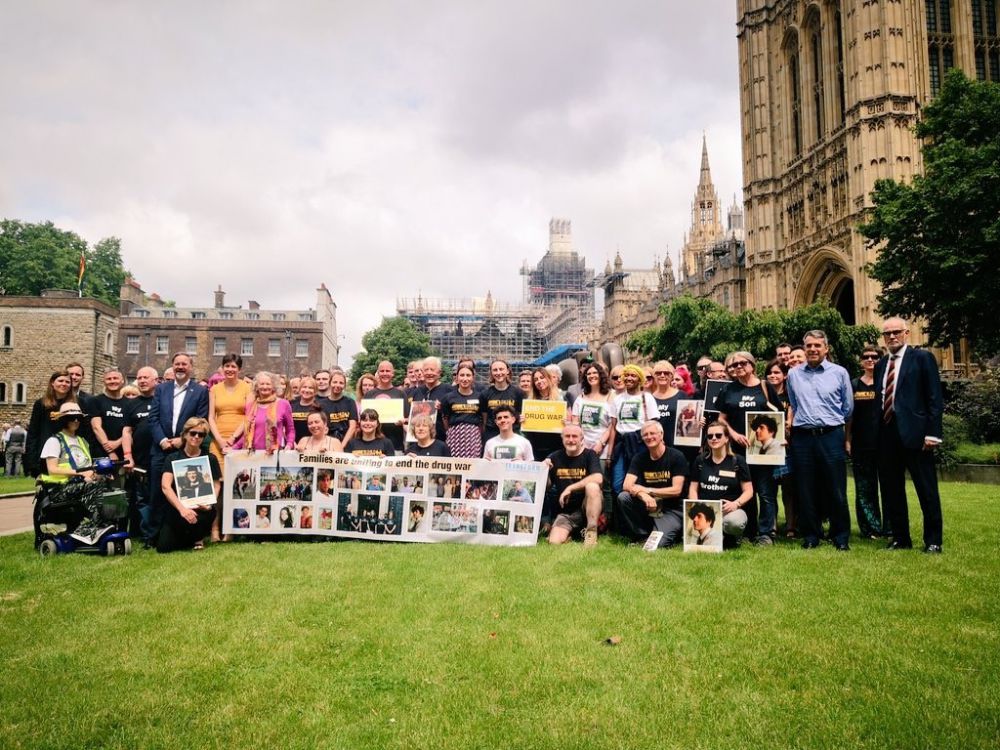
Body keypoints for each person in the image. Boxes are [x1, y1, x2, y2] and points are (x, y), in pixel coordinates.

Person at [875, 317, 944, 553]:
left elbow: (934, 399)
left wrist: (933, 434)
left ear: (906, 333)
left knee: (926, 490)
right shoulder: (882, 364)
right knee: (892, 490)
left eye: (896, 332)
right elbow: (880, 398)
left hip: (916, 435)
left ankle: (933, 541)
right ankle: (900, 538)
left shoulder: (922, 358)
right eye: (887, 334)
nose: (892, 337)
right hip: (887, 434)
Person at [786, 330, 853, 551]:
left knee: (836, 488)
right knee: (805, 489)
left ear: (826, 349)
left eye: (817, 346)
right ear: (804, 349)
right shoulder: (794, 375)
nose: (813, 349)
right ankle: (811, 535)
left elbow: (848, 407)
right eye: (809, 346)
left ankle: (840, 535)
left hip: (831, 435)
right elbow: (794, 404)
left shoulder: (839, 373)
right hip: (803, 437)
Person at [715, 351, 781, 544]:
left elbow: (779, 415)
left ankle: (766, 533)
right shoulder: (729, 390)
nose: (738, 367)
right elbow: (721, 419)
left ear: (752, 365)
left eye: (742, 363)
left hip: (763, 451)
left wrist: (780, 438)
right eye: (733, 365)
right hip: (739, 451)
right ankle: (749, 532)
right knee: (745, 491)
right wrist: (734, 434)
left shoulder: (765, 387)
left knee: (766, 492)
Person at [147, 353, 210, 547]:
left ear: (191, 367)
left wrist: (181, 441)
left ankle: (189, 534)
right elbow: (153, 418)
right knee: (157, 493)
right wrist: (163, 440)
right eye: (177, 364)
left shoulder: (199, 391)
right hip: (161, 449)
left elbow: (201, 419)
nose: (180, 367)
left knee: (188, 493)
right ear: (172, 367)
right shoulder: (162, 389)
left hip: (186, 449)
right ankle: (152, 536)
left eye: (184, 364)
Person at [616, 420, 688, 547]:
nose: (649, 437)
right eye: (645, 435)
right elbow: (626, 485)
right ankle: (643, 535)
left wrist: (648, 490)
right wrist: (644, 495)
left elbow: (676, 490)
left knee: (657, 545)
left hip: (671, 509)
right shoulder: (639, 458)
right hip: (648, 506)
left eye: (652, 433)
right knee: (624, 497)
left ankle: (671, 532)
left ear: (661, 434)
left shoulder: (677, 456)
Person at [206, 353, 252, 541]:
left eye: (233, 366)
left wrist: (233, 439)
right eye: (227, 366)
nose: (230, 370)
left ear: (239, 369)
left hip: (239, 441)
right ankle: (215, 529)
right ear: (222, 368)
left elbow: (248, 416)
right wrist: (219, 440)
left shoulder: (247, 388)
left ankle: (231, 529)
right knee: (217, 487)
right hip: (218, 442)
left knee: (235, 486)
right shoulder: (214, 389)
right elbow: (210, 417)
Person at [158, 417, 220, 552]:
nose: (196, 437)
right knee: (164, 547)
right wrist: (182, 509)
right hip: (178, 508)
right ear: (185, 434)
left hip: (202, 508)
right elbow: (165, 486)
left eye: (201, 434)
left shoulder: (210, 459)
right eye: (193, 433)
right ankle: (189, 537)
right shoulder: (172, 458)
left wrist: (209, 503)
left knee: (209, 513)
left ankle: (198, 538)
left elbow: (216, 485)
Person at [688, 421, 753, 548]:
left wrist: (736, 504)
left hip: (729, 511)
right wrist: (696, 506)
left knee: (734, 522)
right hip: (706, 512)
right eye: (710, 436)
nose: (714, 439)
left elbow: (749, 490)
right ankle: (721, 540)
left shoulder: (737, 461)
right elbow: (693, 488)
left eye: (718, 435)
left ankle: (731, 536)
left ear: (727, 438)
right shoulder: (700, 461)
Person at [846, 345, 886, 540]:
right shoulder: (854, 385)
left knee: (888, 487)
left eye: (875, 357)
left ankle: (890, 527)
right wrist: (847, 439)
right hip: (861, 444)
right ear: (861, 361)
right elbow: (849, 416)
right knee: (864, 489)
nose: (870, 360)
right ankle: (870, 528)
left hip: (885, 443)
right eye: (866, 357)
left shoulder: (886, 382)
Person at [544, 424, 603, 547]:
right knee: (554, 542)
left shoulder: (590, 455)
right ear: (562, 439)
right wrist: (543, 471)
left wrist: (570, 488)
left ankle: (591, 532)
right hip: (567, 512)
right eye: (567, 436)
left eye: (574, 436)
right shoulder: (554, 457)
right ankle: (574, 534)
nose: (571, 440)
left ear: (582, 439)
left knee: (592, 486)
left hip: (587, 507)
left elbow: (598, 478)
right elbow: (547, 486)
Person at [610, 364, 658, 496]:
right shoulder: (617, 399)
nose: (629, 378)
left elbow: (654, 424)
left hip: (641, 443)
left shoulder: (647, 397)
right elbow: (613, 427)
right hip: (621, 444)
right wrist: (609, 454)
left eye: (633, 375)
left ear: (640, 379)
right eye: (626, 375)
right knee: (617, 483)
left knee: (641, 480)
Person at [121, 366, 158, 538]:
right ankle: (145, 534)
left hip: (159, 457)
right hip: (139, 459)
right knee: (141, 499)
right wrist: (127, 455)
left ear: (155, 380)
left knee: (158, 496)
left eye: (146, 377)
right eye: (139, 378)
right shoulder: (131, 404)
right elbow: (126, 431)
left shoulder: (162, 400)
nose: (142, 380)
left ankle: (158, 532)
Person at [764, 358, 796, 538]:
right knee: (769, 490)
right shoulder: (763, 395)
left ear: (784, 375)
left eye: (777, 372)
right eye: (770, 373)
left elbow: (792, 422)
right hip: (766, 450)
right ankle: (773, 526)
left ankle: (791, 526)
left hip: (787, 448)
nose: (773, 376)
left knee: (788, 490)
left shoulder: (790, 396)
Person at [24, 371, 75, 477]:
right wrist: (32, 461)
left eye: (67, 382)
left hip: (70, 452)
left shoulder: (76, 404)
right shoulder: (41, 404)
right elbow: (34, 432)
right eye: (60, 381)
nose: (64, 384)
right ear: (52, 383)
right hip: (46, 452)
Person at [233, 372, 295, 452]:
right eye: (262, 384)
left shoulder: (283, 404)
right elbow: (247, 433)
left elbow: (290, 429)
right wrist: (234, 447)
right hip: (252, 455)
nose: (265, 387)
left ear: (273, 386)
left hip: (274, 455)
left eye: (268, 384)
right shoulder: (250, 406)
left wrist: (289, 445)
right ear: (256, 386)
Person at [38, 402, 95, 482]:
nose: (76, 421)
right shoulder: (54, 441)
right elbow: (52, 469)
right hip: (61, 490)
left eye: (79, 418)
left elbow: (87, 464)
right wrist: (79, 473)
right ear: (63, 419)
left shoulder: (82, 441)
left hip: (83, 488)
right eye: (72, 418)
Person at [570, 362, 615, 462]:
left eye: (595, 373)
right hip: (583, 448)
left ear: (601, 375)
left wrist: (601, 443)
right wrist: (580, 441)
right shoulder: (580, 398)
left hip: (603, 448)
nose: (592, 376)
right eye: (589, 374)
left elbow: (612, 425)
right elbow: (575, 423)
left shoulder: (611, 395)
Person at [439, 363, 481, 457]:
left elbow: (483, 418)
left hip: (473, 437)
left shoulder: (479, 397)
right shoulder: (448, 397)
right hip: (454, 436)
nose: (465, 378)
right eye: (462, 375)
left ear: (473, 378)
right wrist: (452, 431)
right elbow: (445, 417)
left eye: (468, 375)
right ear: (457, 378)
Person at [364, 361, 408, 451]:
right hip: (372, 445)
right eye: (382, 371)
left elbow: (407, 418)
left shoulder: (401, 393)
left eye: (387, 371)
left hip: (395, 445)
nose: (385, 373)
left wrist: (403, 421)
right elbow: (363, 419)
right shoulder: (369, 394)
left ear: (392, 373)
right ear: (378, 373)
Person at [524, 367, 564, 462]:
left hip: (556, 447)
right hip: (536, 448)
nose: (539, 381)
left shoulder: (561, 399)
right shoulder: (530, 402)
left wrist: (566, 422)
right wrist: (524, 421)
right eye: (536, 380)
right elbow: (527, 431)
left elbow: (570, 424)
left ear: (548, 378)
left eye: (542, 377)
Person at [480, 359, 523, 443]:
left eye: (501, 369)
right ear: (491, 373)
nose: (498, 372)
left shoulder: (518, 393)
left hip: (512, 433)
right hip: (491, 434)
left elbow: (520, 414)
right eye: (495, 370)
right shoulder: (485, 394)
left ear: (507, 371)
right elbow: (484, 418)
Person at [89, 368, 127, 460]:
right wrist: (110, 451)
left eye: (115, 378)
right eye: (109, 379)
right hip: (101, 453)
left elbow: (131, 429)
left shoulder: (130, 403)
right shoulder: (96, 401)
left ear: (122, 381)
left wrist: (117, 443)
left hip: (123, 452)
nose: (112, 381)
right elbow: (96, 427)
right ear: (104, 382)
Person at [649, 360, 681, 447]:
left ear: (672, 376)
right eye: (658, 373)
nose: (662, 375)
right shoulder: (649, 399)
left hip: (678, 446)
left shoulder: (682, 396)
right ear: (654, 376)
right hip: (656, 446)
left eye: (666, 373)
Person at [324, 369, 358, 444]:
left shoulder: (350, 402)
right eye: (335, 382)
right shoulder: (322, 404)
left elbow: (352, 427)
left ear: (344, 386)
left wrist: (342, 446)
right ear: (330, 383)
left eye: (341, 383)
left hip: (346, 442)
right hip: (327, 443)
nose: (337, 385)